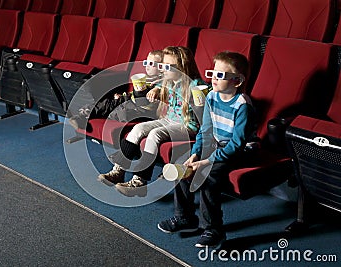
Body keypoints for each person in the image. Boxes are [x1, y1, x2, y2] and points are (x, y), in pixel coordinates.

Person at [157, 51, 258, 248]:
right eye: (212, 73)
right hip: (218, 145)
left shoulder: (242, 105)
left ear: (237, 81)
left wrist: (207, 161)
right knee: (182, 167)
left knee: (207, 175)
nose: (212, 78)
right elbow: (205, 131)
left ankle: (214, 229)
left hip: (243, 151)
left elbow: (236, 145)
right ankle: (184, 217)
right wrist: (195, 153)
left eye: (220, 75)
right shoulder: (211, 96)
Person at [98, 46, 209, 197]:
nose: (163, 70)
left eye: (167, 67)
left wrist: (201, 100)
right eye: (162, 66)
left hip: (187, 125)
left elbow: (208, 93)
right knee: (138, 129)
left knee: (154, 134)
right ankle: (118, 170)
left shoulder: (194, 84)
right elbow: (159, 83)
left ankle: (139, 181)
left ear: (182, 67)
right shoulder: (168, 81)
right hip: (169, 120)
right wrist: (156, 89)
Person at [68, 50, 164, 129]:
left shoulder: (161, 81)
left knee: (122, 112)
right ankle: (81, 116)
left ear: (161, 67)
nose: (147, 66)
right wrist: (124, 96)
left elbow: (164, 87)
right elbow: (134, 93)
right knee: (106, 103)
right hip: (130, 99)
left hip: (143, 109)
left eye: (151, 64)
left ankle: (88, 119)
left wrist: (156, 89)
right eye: (146, 62)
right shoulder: (144, 77)